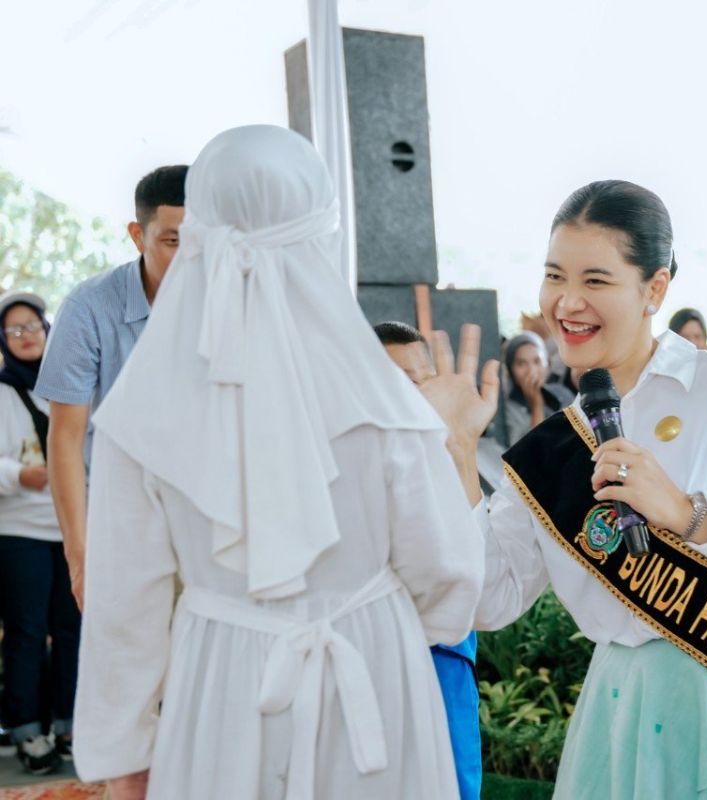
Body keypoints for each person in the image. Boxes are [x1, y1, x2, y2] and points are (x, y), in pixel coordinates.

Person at [409, 180, 707, 798]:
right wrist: (459, 452)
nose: (567, 302)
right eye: (554, 277)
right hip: (627, 716)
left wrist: (689, 513)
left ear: (654, 289)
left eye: (596, 280)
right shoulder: (548, 451)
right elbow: (490, 600)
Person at [72, 125, 484, 800]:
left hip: (220, 684)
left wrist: (126, 757)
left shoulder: (140, 406)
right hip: (373, 677)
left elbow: (125, 608)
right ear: (319, 231)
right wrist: (395, 624)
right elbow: (449, 574)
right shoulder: (385, 399)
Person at [35, 165, 188, 609]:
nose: (189, 258)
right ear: (138, 236)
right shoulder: (89, 308)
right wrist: (80, 558)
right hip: (121, 518)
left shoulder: (234, 302)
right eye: (172, 242)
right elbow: (64, 437)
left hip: (209, 516)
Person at [374, 320, 482, 800]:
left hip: (445, 657)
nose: (415, 392)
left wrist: (463, 447)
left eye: (422, 378)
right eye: (397, 379)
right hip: (376, 657)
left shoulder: (450, 449)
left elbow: (477, 561)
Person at [0, 291, 79, 773]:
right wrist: (16, 475)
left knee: (73, 629)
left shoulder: (68, 383)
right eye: (15, 330)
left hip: (71, 528)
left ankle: (71, 723)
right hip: (18, 531)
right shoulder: (1, 390)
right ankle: (28, 731)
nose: (27, 336)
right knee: (27, 632)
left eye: (34, 326)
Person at [502, 331, 575, 446]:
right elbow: (533, 453)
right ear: (511, 372)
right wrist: (537, 406)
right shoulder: (509, 410)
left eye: (537, 361)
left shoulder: (563, 395)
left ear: (548, 364)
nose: (531, 371)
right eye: (521, 364)